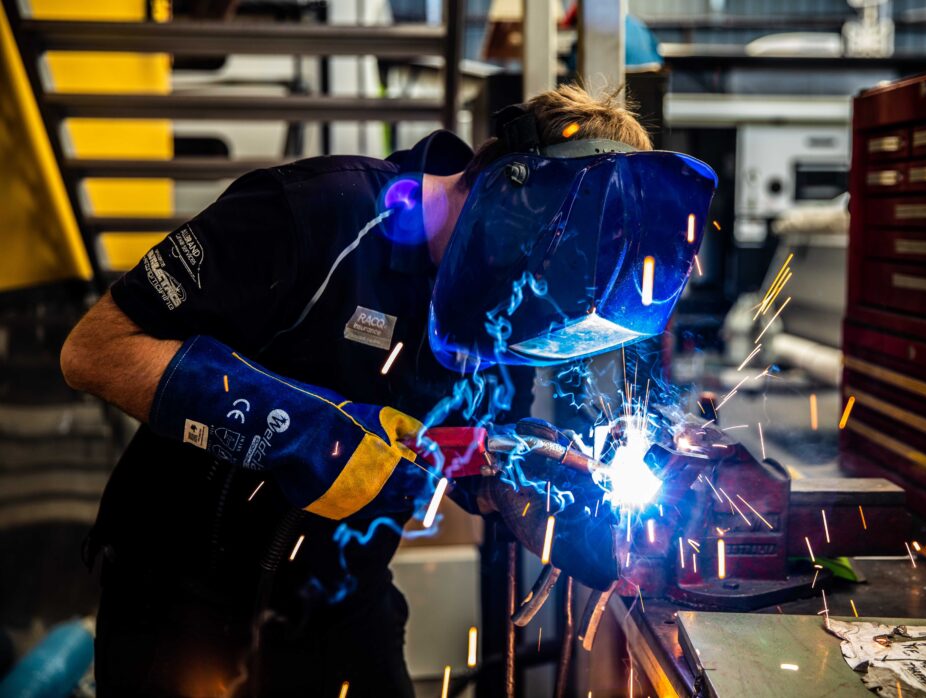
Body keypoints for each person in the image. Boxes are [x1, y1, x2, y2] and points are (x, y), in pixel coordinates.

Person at [59, 85, 670, 698]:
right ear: (511, 198)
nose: (537, 303)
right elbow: (93, 350)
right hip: (178, 595)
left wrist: (514, 479)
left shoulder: (513, 312)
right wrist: (307, 431)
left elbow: (450, 452)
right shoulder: (316, 211)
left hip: (341, 599)